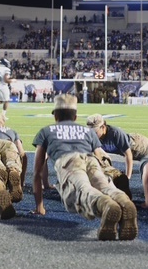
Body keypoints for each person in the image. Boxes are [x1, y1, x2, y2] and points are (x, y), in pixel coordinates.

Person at [31, 94, 138, 241]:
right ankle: (123, 201)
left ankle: (106, 205)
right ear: (75, 117)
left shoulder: (46, 131)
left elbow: (37, 171)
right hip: (91, 159)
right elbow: (101, 155)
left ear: (55, 116)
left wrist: (40, 207)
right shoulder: (88, 132)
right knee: (104, 186)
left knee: (83, 191)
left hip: (69, 162)